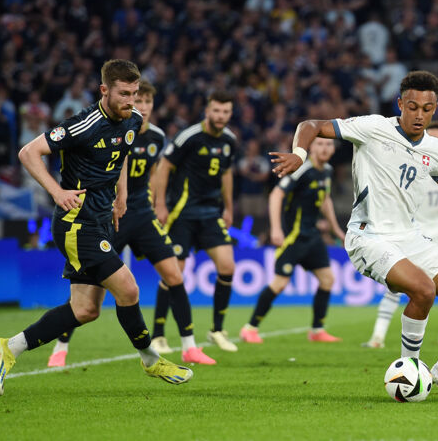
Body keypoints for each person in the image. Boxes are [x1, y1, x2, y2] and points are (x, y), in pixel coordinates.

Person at [271, 71, 438, 396]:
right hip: (368, 236)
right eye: (412, 106)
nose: (419, 115)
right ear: (400, 103)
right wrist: (300, 154)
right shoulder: (374, 127)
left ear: (435, 108)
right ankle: (409, 374)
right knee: (423, 289)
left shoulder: (433, 146)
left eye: (427, 109)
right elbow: (311, 125)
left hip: (410, 236)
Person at [0, 59, 192, 396]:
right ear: (104, 91)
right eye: (124, 94)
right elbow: (29, 153)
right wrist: (56, 191)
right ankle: (150, 358)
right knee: (128, 289)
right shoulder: (83, 124)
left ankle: (8, 347)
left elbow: (122, 154)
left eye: (135, 93)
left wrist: (121, 196)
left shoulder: (133, 121)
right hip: (75, 223)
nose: (131, 101)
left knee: (85, 310)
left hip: (101, 218)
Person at [47, 80, 215, 367]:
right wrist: (118, 196)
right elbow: (118, 160)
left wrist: (157, 203)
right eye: (141, 101)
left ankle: (189, 346)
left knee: (174, 275)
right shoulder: (119, 126)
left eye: (149, 102)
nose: (144, 107)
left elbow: (156, 173)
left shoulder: (157, 137)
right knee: (91, 292)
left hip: (143, 214)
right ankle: (60, 346)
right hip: (112, 215)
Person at [361, 120, 438, 348]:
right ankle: (377, 336)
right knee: (396, 283)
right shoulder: (407, 158)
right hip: (415, 228)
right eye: (435, 136)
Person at [153, 90, 239, 353]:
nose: (221, 116)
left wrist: (228, 206)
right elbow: (164, 166)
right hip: (183, 214)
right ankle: (158, 334)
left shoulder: (229, 140)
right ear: (207, 110)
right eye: (216, 110)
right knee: (173, 273)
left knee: (228, 267)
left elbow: (226, 173)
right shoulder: (189, 136)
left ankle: (217, 330)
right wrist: (160, 203)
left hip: (211, 213)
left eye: (225, 112)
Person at [240, 138, 346, 344]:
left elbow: (325, 199)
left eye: (328, 145)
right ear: (311, 148)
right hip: (294, 237)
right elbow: (276, 195)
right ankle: (250, 328)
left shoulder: (327, 171)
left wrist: (336, 230)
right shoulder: (302, 170)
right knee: (280, 283)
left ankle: (317, 330)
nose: (325, 148)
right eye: (320, 144)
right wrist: (277, 229)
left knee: (327, 280)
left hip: (312, 237)